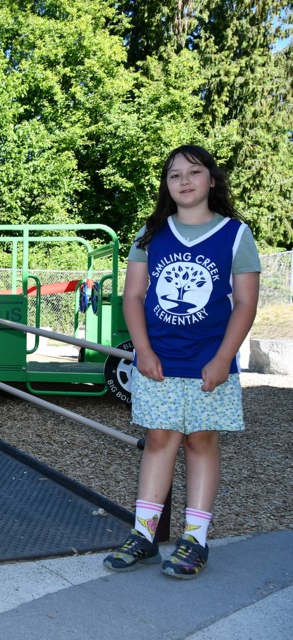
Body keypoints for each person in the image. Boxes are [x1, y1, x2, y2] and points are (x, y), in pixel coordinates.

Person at [103, 145, 260, 579]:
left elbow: (246, 302)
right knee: (159, 440)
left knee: (200, 442)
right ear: (166, 186)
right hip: (160, 362)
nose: (185, 181)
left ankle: (195, 539)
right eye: (175, 175)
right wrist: (144, 350)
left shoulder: (235, 234)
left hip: (210, 364)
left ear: (212, 179)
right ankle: (144, 535)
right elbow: (132, 296)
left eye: (194, 172)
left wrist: (224, 357)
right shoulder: (151, 234)